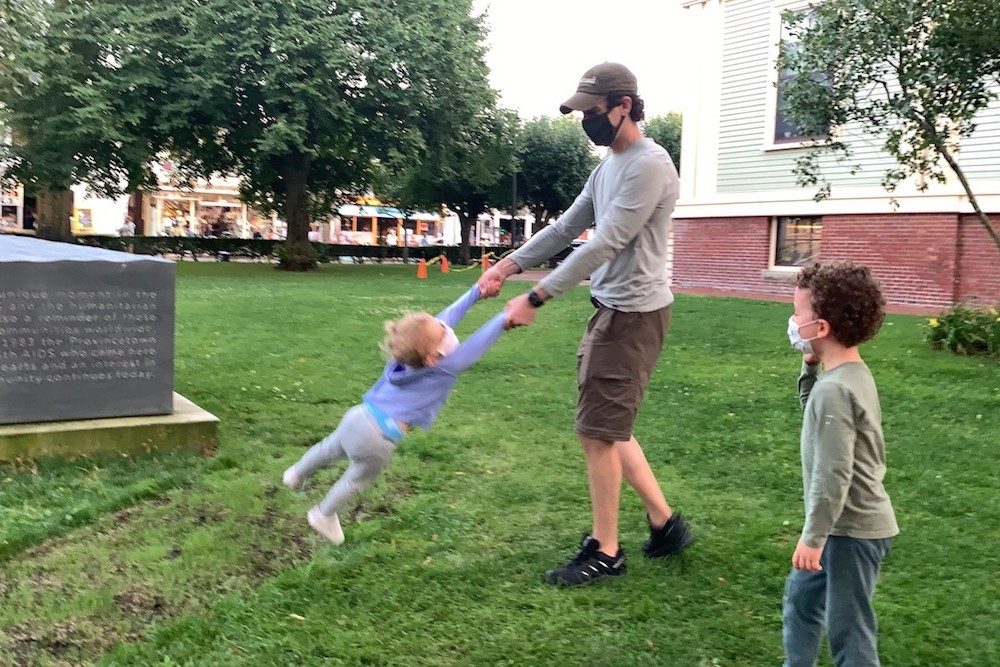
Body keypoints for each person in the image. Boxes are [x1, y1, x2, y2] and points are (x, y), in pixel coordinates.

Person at [478, 62, 692, 586]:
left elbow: (604, 242)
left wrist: (538, 295)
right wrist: (509, 264)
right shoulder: (607, 169)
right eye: (580, 113)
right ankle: (665, 525)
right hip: (614, 309)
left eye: (592, 112)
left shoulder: (650, 164)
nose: (586, 122)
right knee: (610, 426)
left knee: (597, 432)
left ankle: (607, 550)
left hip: (633, 314)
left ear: (623, 105)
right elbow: (566, 227)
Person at [283, 285, 508, 544]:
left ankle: (296, 474)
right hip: (379, 438)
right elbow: (476, 344)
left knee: (329, 448)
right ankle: (324, 514)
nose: (446, 327)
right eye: (443, 332)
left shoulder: (403, 355)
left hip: (358, 416)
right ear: (432, 358)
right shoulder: (444, 368)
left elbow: (443, 318)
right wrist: (504, 318)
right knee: (356, 478)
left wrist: (477, 292)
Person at [782, 262, 898, 667]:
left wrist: (814, 537)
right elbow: (812, 410)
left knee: (849, 627)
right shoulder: (849, 375)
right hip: (838, 525)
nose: (793, 322)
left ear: (822, 328)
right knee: (801, 601)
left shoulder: (836, 391)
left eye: (798, 315)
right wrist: (809, 365)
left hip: (850, 531)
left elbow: (834, 475)